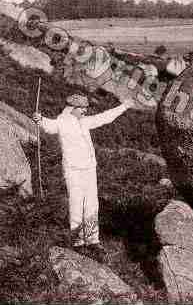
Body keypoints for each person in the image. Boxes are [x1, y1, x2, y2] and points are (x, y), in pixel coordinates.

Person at [33, 94, 135, 262]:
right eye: (82, 108)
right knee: (76, 204)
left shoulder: (84, 121)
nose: (85, 111)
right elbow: (49, 126)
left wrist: (124, 106)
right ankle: (78, 242)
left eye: (86, 108)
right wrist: (39, 119)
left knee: (92, 204)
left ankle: (93, 240)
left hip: (89, 169)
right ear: (71, 108)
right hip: (73, 170)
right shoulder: (62, 122)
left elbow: (104, 117)